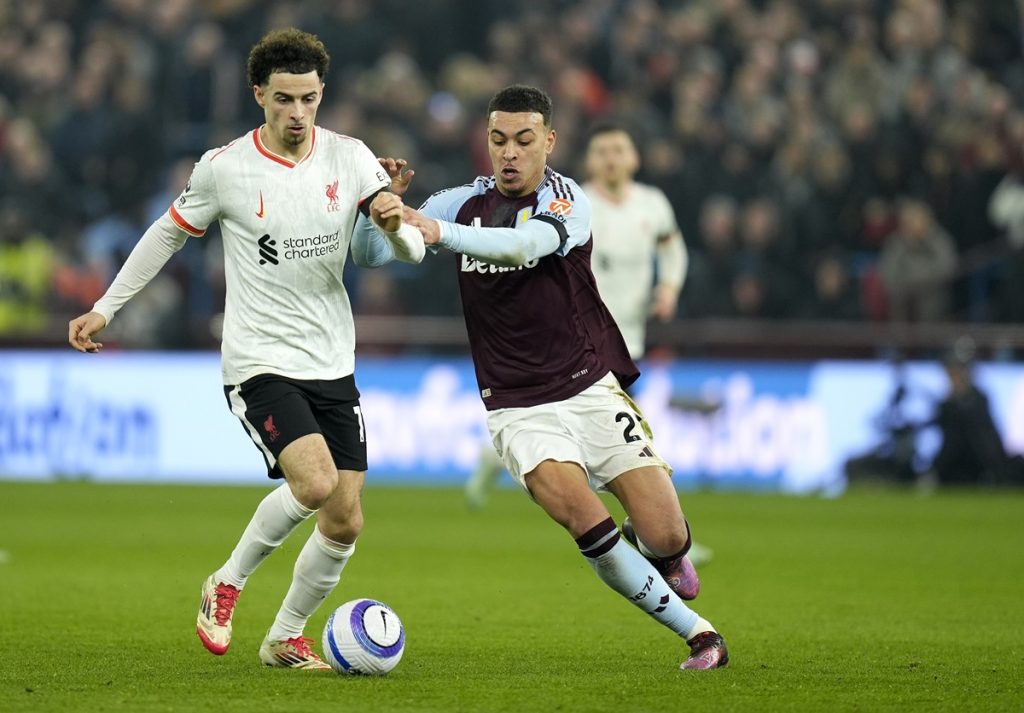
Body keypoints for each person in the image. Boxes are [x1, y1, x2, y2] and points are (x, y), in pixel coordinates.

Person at [68, 28, 424, 670]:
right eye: (284, 99)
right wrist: (105, 307)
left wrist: (395, 227)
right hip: (259, 361)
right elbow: (165, 236)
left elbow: (409, 248)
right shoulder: (224, 167)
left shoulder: (352, 158)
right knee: (313, 483)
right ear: (259, 93)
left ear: (322, 95)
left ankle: (285, 637)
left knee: (345, 522)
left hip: (332, 361)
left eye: (309, 99)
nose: (297, 113)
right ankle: (226, 582)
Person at [383, 85, 728, 669]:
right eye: (498, 141)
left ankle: (666, 553)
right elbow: (377, 253)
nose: (509, 153)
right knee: (582, 519)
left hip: (589, 385)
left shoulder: (567, 198)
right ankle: (701, 637)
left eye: (523, 140)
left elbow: (524, 247)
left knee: (665, 533)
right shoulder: (460, 202)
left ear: (549, 141)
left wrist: (435, 232)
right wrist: (387, 211)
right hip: (517, 406)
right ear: (486, 144)